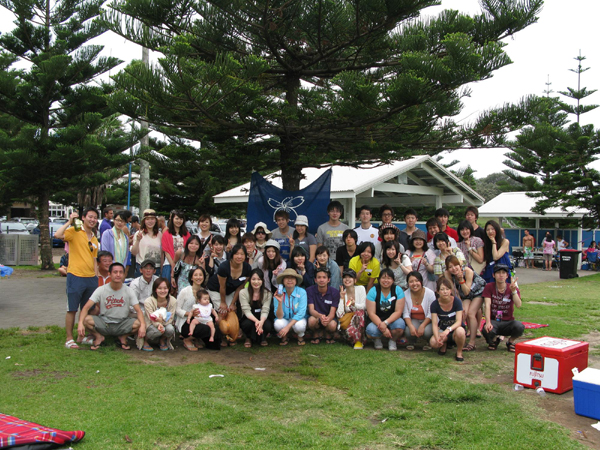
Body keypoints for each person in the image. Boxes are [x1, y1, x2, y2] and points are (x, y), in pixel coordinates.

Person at [54, 209, 99, 350]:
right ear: (84, 218)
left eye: (95, 218)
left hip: (91, 278)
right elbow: (57, 235)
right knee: (72, 308)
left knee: (88, 309)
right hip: (75, 276)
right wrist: (69, 221)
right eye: (90, 217)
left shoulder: (94, 238)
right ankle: (69, 338)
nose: (92, 220)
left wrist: (96, 277)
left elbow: (95, 260)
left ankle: (82, 335)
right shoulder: (74, 231)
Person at [77, 263, 145, 351]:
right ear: (109, 274)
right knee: (85, 320)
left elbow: (138, 310)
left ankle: (123, 337)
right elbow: (86, 307)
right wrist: (80, 323)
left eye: (121, 272)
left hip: (122, 322)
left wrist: (143, 325)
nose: (118, 275)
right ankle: (99, 337)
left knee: (139, 324)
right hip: (104, 322)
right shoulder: (101, 290)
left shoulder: (129, 291)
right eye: (115, 272)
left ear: (124, 274)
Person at [206, 244, 252, 346]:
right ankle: (221, 337)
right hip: (216, 290)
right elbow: (222, 287)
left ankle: (232, 335)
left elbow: (240, 287)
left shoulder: (247, 268)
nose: (239, 256)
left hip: (232, 290)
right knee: (222, 311)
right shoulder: (224, 267)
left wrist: (232, 303)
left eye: (242, 254)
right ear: (232, 255)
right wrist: (223, 302)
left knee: (231, 311)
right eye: (236, 254)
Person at [444, 255, 485, 352]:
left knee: (471, 313)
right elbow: (453, 290)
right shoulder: (448, 273)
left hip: (477, 292)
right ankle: (458, 338)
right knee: (463, 312)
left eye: (455, 265)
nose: (453, 269)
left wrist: (461, 279)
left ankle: (472, 342)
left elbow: (467, 291)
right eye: (450, 267)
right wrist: (459, 302)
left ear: (459, 264)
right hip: (465, 295)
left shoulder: (467, 271)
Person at [176, 267, 222, 351]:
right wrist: (190, 314)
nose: (198, 277)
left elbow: (210, 308)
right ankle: (188, 339)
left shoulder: (204, 292)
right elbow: (177, 310)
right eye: (195, 275)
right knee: (204, 329)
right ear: (191, 277)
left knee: (216, 332)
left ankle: (198, 339)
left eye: (200, 275)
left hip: (202, 320)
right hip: (186, 322)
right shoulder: (185, 291)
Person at [482, 264, 524, 352]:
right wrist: (488, 322)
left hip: (508, 321)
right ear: (493, 275)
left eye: (503, 273)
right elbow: (487, 304)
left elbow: (518, 304)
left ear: (507, 275)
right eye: (498, 273)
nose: (501, 275)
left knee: (519, 326)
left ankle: (510, 342)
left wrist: (513, 291)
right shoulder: (489, 286)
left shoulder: (511, 287)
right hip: (494, 321)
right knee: (486, 329)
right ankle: (493, 341)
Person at [365, 268, 406, 351]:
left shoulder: (398, 290)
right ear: (379, 279)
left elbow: (398, 311)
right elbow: (371, 313)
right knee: (371, 331)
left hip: (392, 319)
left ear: (393, 280)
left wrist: (386, 323)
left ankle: (392, 340)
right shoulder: (373, 291)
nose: (386, 280)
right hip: (376, 320)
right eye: (383, 278)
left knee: (400, 325)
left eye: (389, 278)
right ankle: (377, 339)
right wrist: (382, 327)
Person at [429, 277, 466, 361]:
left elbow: (459, 322)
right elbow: (434, 324)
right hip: (442, 330)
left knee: (460, 331)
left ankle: (459, 352)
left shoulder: (457, 302)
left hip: (455, 329)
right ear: (438, 291)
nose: (445, 292)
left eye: (447, 289)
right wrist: (436, 337)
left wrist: (448, 330)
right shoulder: (434, 304)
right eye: (442, 289)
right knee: (433, 342)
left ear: (450, 290)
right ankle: (443, 344)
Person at [273, 268, 308, 345]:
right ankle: (284, 337)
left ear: (296, 281)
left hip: (297, 320)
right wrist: (280, 301)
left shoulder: (302, 292)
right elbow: (279, 316)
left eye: (292, 278)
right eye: (287, 278)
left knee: (300, 326)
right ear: (283, 281)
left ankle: (300, 337)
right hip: (285, 319)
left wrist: (287, 327)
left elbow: (301, 313)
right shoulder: (279, 293)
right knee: (278, 323)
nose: (289, 280)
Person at [239, 269, 273, 347]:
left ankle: (263, 338)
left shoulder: (267, 293)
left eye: (259, 279)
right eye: (253, 279)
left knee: (267, 325)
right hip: (249, 317)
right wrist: (257, 321)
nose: (256, 282)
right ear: (250, 280)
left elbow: (265, 309)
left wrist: (261, 322)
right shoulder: (243, 292)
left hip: (262, 316)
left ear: (262, 281)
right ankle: (248, 338)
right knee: (247, 324)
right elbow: (246, 311)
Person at [141, 277, 177, 351]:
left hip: (166, 323)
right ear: (155, 289)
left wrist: (162, 322)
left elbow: (171, 317)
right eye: (160, 288)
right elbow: (151, 318)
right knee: (157, 331)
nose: (163, 291)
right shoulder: (148, 301)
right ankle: (145, 341)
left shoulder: (173, 301)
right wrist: (159, 324)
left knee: (170, 329)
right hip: (151, 324)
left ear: (169, 289)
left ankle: (162, 340)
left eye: (165, 288)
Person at [306, 268, 340, 344]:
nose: (321, 280)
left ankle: (326, 332)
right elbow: (311, 310)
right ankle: (315, 333)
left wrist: (327, 319)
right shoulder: (310, 290)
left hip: (329, 317)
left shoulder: (335, 292)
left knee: (332, 325)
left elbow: (332, 312)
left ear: (328, 280)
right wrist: (321, 316)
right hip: (316, 317)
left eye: (324, 277)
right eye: (319, 277)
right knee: (311, 321)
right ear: (315, 280)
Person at [402, 271, 435, 350]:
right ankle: (411, 341)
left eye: (417, 281)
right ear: (408, 283)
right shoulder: (405, 294)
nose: (414, 284)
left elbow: (431, 313)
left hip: (428, 320)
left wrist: (423, 325)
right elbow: (405, 313)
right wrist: (410, 326)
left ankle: (428, 341)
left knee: (427, 331)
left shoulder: (430, 293)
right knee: (409, 330)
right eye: (411, 281)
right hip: (414, 320)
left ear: (421, 281)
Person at [336, 268, 367, 349]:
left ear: (355, 280)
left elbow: (364, 306)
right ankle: (351, 339)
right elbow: (340, 315)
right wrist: (341, 298)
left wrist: (354, 304)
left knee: (359, 313)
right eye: (345, 277)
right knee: (356, 315)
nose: (347, 279)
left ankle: (359, 341)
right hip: (348, 322)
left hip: (361, 321)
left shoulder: (361, 289)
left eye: (350, 277)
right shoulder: (343, 293)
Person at [161, 210, 190, 284]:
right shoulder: (166, 234)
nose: (179, 221)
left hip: (183, 265)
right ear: (172, 219)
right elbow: (166, 252)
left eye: (181, 219)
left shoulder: (186, 234)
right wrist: (173, 265)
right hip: (169, 264)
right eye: (176, 218)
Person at [131, 209, 162, 277]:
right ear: (144, 221)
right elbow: (134, 252)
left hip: (157, 269)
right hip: (142, 269)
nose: (150, 221)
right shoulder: (139, 234)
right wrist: (138, 240)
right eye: (147, 219)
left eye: (152, 219)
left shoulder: (160, 235)